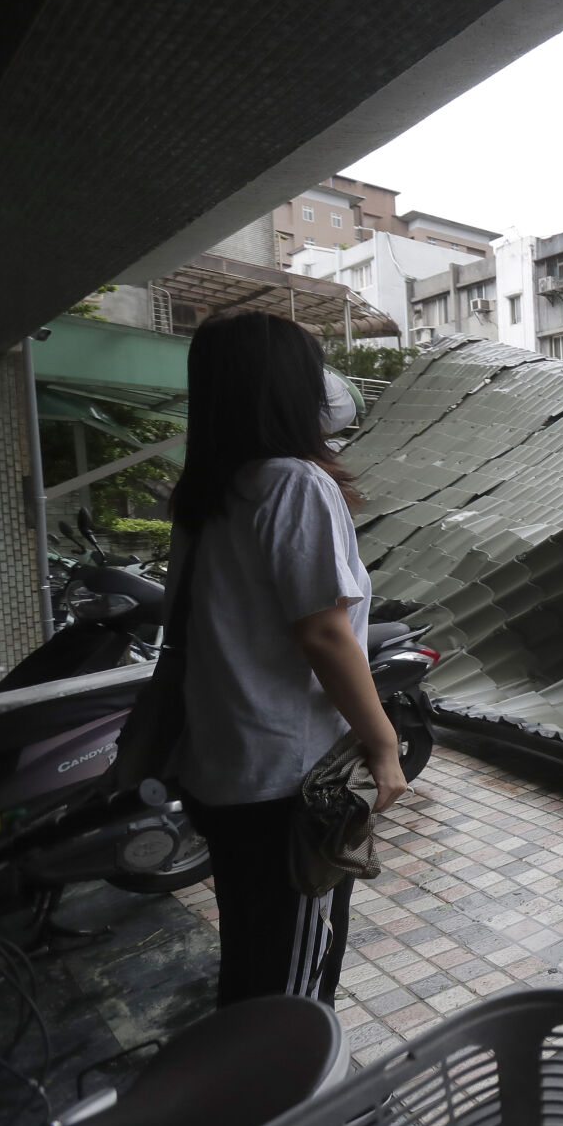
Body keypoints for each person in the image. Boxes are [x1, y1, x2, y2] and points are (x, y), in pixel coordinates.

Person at [167, 311, 405, 1007]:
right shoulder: (294, 483)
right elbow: (324, 633)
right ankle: (285, 1102)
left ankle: (245, 1086)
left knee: (253, 947)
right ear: (286, 390)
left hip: (222, 769)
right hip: (285, 783)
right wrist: (383, 744)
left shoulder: (210, 492)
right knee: (295, 979)